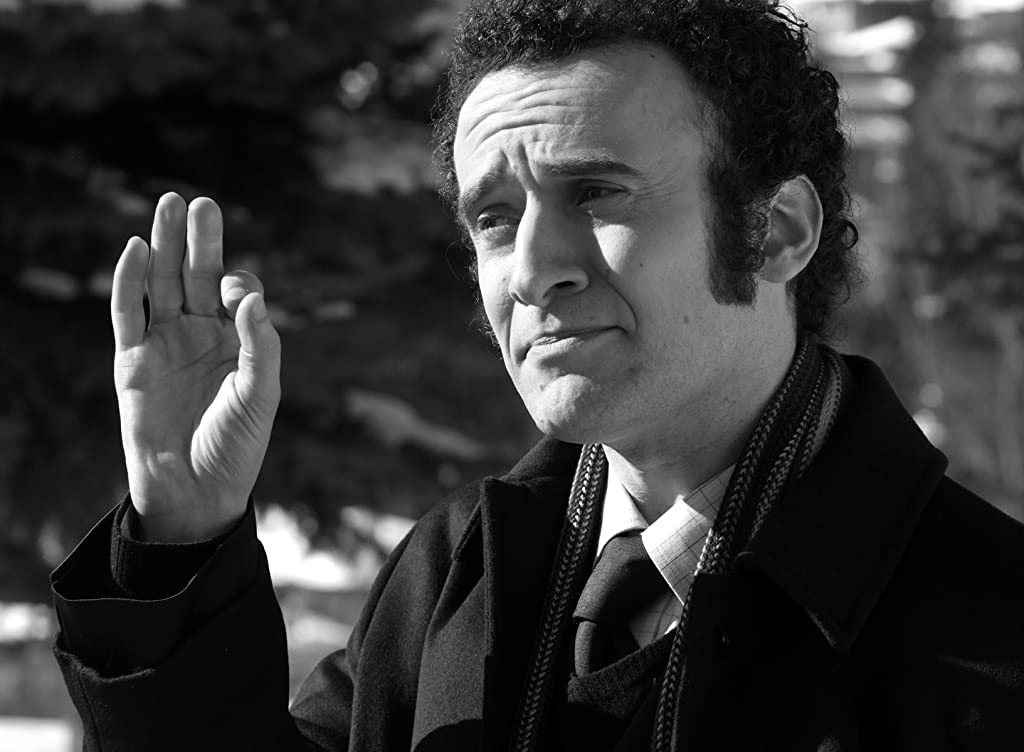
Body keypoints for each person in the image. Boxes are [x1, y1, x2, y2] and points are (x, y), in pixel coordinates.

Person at [50, 0, 1024, 750]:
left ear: (775, 231)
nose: (529, 268)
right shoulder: (454, 573)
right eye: (493, 217)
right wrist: (180, 535)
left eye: (595, 191)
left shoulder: (988, 636)